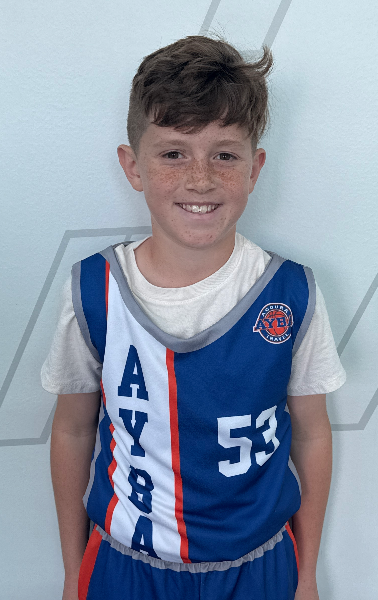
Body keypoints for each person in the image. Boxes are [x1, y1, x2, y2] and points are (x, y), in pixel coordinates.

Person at [42, 35, 346, 600]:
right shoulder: (93, 289)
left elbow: (311, 431)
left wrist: (305, 576)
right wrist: (70, 573)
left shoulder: (291, 292)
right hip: (126, 564)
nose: (200, 179)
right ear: (132, 166)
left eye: (224, 155)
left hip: (258, 566)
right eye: (173, 153)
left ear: (254, 168)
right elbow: (73, 428)